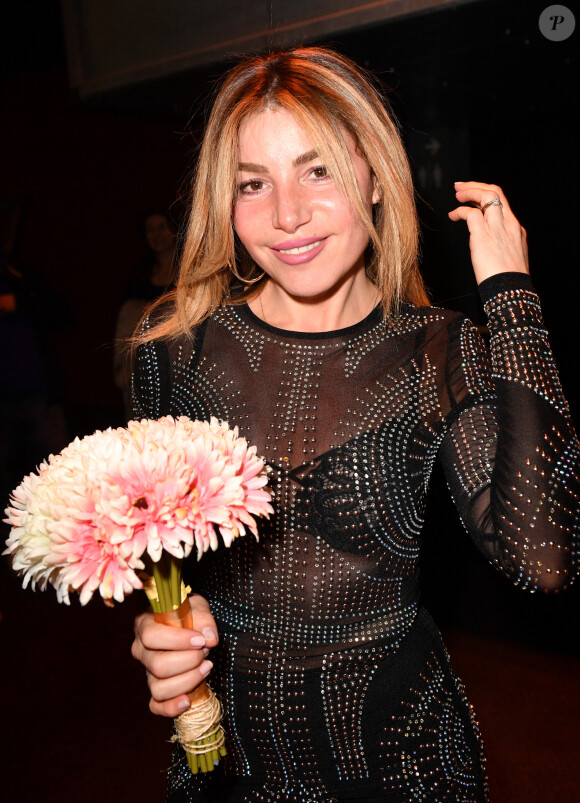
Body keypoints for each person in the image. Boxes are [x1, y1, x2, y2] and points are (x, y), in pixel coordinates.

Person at [130, 47, 579, 802]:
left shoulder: (439, 347)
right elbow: (157, 555)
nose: (286, 215)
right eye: (252, 183)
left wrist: (511, 295)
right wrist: (162, 632)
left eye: (319, 169)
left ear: (374, 176)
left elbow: (545, 557)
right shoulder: (177, 348)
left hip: (404, 765)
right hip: (226, 770)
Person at [113, 209, 178, 418]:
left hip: (179, 369)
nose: (156, 235)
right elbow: (126, 328)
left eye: (161, 228)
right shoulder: (140, 276)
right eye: (150, 230)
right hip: (144, 371)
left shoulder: (191, 271)